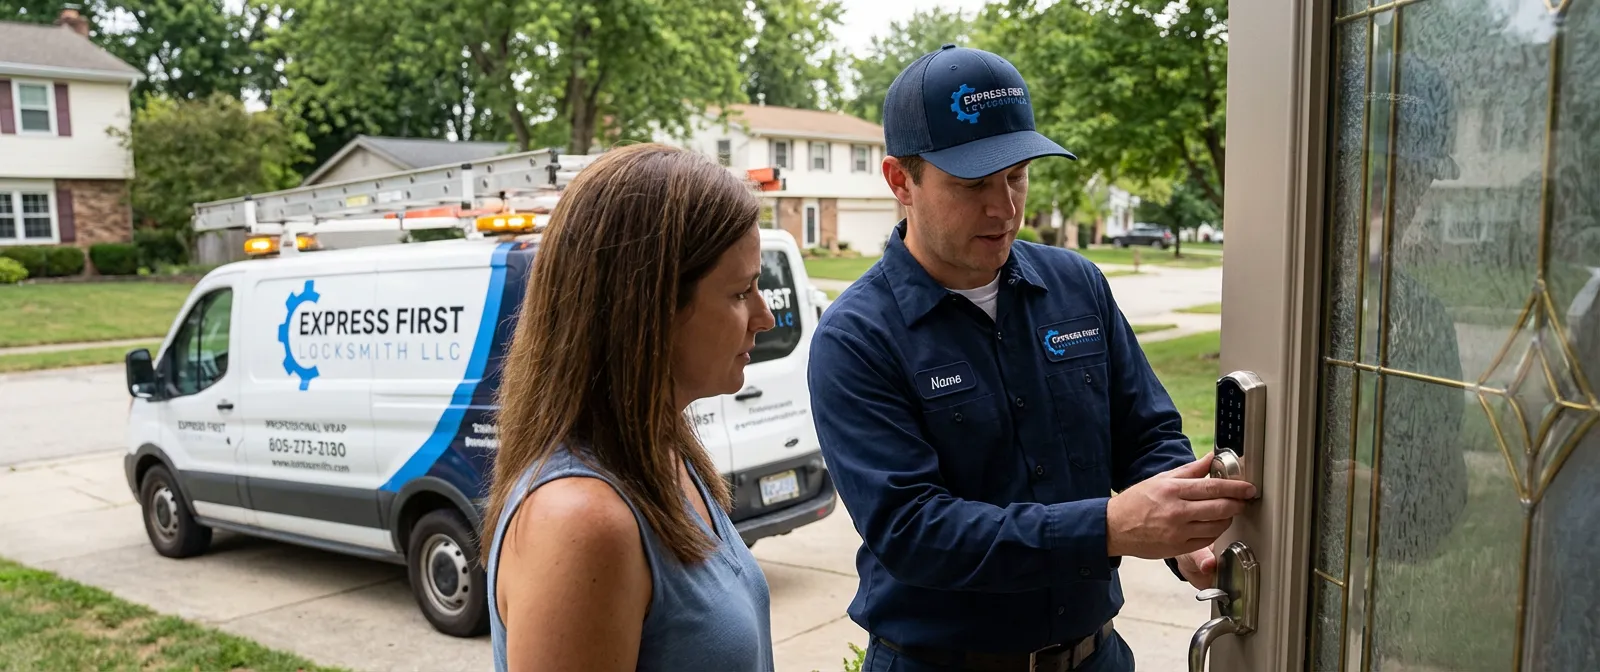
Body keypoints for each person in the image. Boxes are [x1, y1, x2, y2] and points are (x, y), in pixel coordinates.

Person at [807, 45, 1257, 672]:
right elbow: (914, 531)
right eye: (972, 186)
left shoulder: (1077, 285)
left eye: (1016, 175)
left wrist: (1183, 536)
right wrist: (1106, 527)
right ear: (899, 180)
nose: (1004, 206)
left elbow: (1144, 432)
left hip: (1096, 657)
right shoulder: (857, 338)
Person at [482, 142, 778, 672]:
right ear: (651, 310)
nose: (764, 316)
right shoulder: (580, 523)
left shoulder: (665, 457)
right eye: (740, 293)